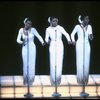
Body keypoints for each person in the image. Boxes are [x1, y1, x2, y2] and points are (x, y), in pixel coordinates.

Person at [16, 18, 45, 86]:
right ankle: (25, 80)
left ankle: (31, 80)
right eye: (28, 23)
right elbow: (17, 39)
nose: (29, 25)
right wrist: (21, 42)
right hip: (25, 47)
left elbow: (39, 36)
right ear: (25, 23)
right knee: (25, 64)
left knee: (32, 64)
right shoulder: (21, 30)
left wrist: (42, 41)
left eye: (30, 24)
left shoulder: (33, 29)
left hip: (32, 47)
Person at [45, 17, 71, 86]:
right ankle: (53, 81)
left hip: (60, 45)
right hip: (52, 45)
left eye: (56, 21)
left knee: (59, 63)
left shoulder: (60, 28)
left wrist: (68, 40)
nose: (55, 22)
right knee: (53, 63)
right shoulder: (48, 29)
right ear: (51, 22)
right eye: (53, 21)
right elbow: (46, 39)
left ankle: (58, 81)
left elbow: (66, 34)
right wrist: (48, 41)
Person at [71, 15, 94, 86]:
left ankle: (85, 81)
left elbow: (91, 37)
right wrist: (73, 40)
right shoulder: (77, 27)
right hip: (79, 44)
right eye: (86, 19)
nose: (88, 20)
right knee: (80, 63)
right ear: (83, 19)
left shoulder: (89, 27)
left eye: (88, 19)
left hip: (87, 44)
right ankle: (80, 81)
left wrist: (91, 36)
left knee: (87, 62)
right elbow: (72, 34)